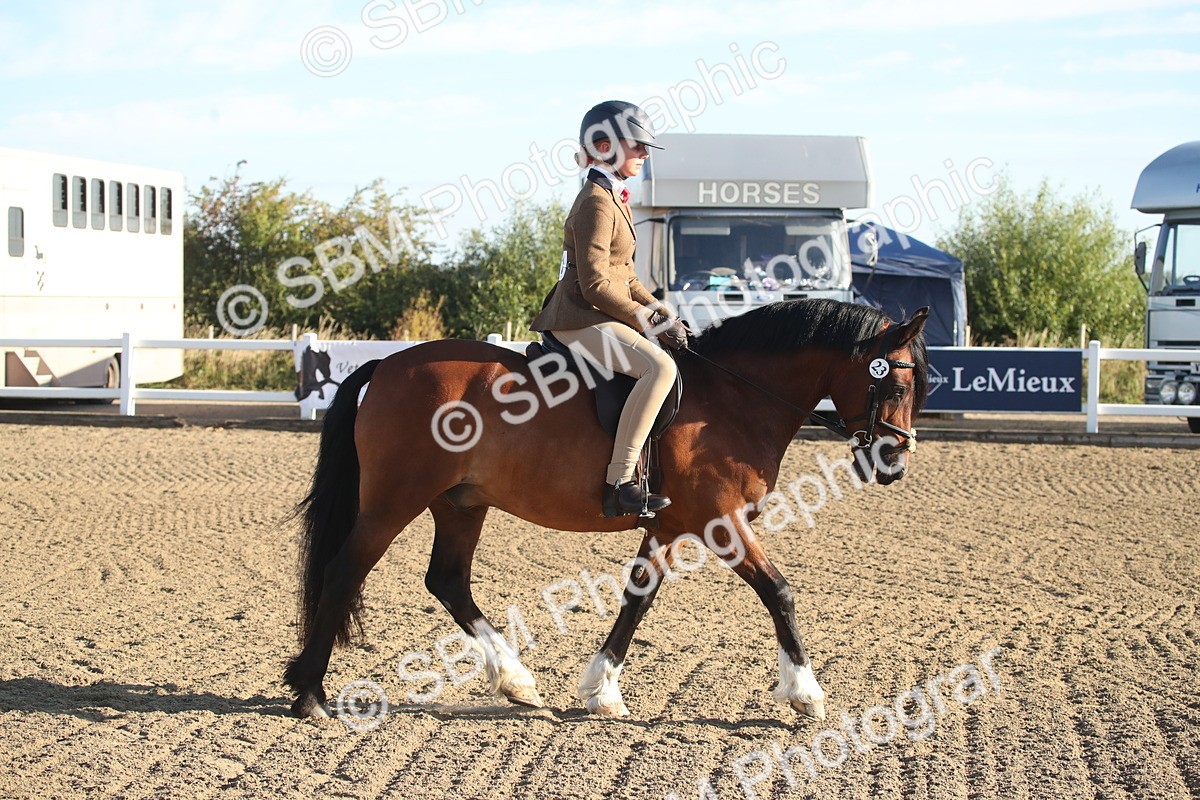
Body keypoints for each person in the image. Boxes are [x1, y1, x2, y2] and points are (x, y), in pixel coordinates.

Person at [530, 100, 688, 516]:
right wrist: (648, 323)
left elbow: (628, 278)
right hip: (579, 316)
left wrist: (664, 313)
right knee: (659, 368)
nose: (645, 154)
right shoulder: (597, 202)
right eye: (637, 146)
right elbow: (597, 284)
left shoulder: (615, 198)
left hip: (597, 312)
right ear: (604, 147)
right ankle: (619, 483)